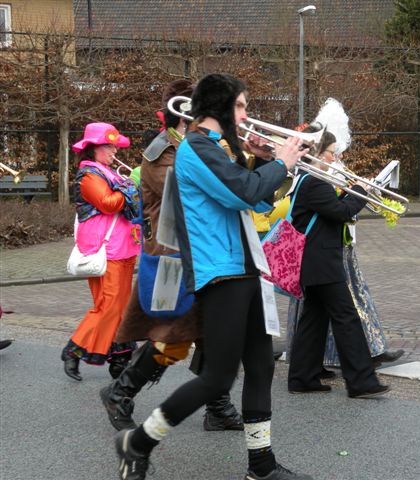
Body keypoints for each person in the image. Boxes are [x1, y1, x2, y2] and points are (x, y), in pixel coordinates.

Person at [114, 73, 313, 480]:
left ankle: (261, 465)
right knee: (217, 377)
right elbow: (242, 192)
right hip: (222, 274)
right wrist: (280, 162)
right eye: (240, 106)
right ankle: (138, 442)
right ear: (221, 106)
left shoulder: (217, 149)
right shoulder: (196, 149)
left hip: (245, 269)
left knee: (260, 369)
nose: (245, 114)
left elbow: (257, 195)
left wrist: (258, 159)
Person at [99, 79, 242, 433]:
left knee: (213, 329)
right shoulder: (161, 152)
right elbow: (190, 196)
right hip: (173, 256)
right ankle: (121, 391)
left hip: (203, 252)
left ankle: (218, 407)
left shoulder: (206, 145)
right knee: (173, 334)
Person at [286, 125, 390, 399]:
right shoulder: (315, 182)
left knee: (314, 319)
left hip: (314, 260)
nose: (335, 158)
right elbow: (341, 213)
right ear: (318, 153)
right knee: (347, 318)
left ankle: (302, 377)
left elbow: (327, 210)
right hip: (320, 261)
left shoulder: (308, 181)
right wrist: (358, 191)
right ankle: (361, 381)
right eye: (331, 153)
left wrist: (350, 192)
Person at [61, 123, 140, 381]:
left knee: (119, 306)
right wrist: (130, 188)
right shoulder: (89, 175)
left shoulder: (107, 172)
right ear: (92, 148)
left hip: (122, 246)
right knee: (108, 306)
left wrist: (129, 188)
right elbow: (107, 204)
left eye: (113, 145)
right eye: (107, 145)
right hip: (105, 249)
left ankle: (119, 358)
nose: (113, 150)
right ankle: (74, 351)